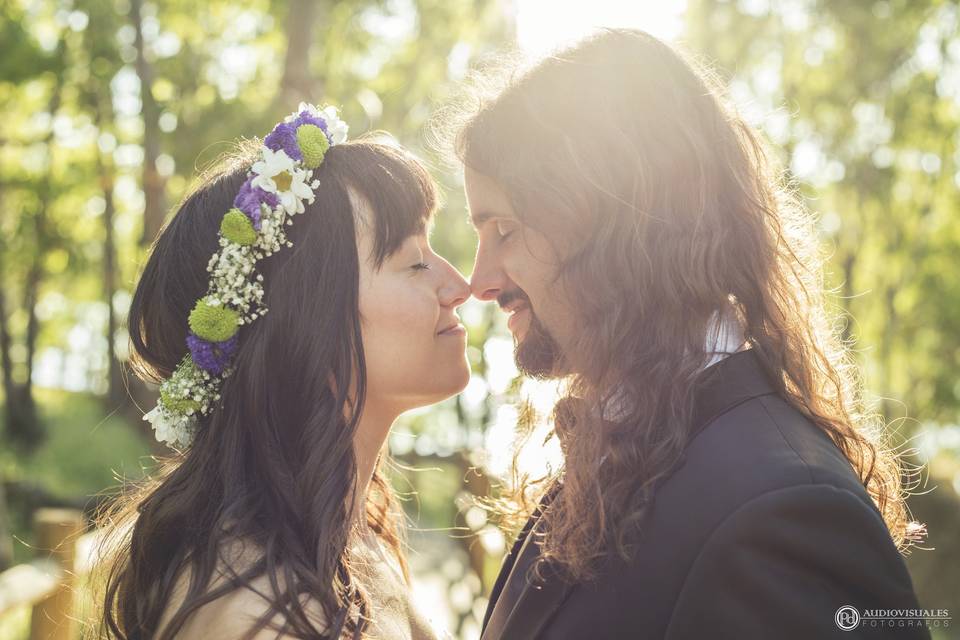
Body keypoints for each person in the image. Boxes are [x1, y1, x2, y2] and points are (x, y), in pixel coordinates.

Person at [447, 30, 930, 639]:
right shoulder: (626, 455)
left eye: (506, 230)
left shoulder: (781, 512)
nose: (480, 281)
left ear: (616, 226)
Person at [95, 104, 470, 640]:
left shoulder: (350, 539)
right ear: (305, 325)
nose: (460, 286)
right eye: (413, 262)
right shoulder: (253, 614)